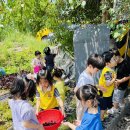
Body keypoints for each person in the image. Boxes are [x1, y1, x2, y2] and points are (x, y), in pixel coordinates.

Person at [74, 53, 105, 120]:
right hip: (83, 104)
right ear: (90, 66)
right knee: (82, 120)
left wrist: (98, 86)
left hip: (87, 102)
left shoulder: (89, 74)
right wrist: (85, 103)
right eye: (97, 70)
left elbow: (89, 85)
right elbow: (78, 91)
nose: (97, 72)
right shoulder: (84, 78)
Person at [107, 49, 130, 114]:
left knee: (116, 96)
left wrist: (119, 81)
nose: (113, 61)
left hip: (122, 84)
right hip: (117, 83)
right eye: (112, 60)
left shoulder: (125, 64)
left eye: (114, 59)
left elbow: (128, 76)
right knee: (120, 96)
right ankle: (123, 106)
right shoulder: (117, 63)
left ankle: (115, 108)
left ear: (118, 56)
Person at [99, 51, 117, 121]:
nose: (115, 60)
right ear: (107, 63)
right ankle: (101, 119)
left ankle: (103, 118)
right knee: (103, 108)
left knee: (105, 107)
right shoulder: (108, 72)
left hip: (107, 93)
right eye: (113, 59)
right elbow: (108, 83)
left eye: (115, 58)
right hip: (104, 94)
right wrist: (114, 78)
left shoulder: (109, 70)